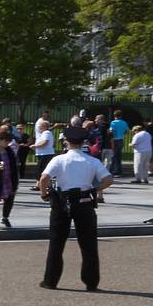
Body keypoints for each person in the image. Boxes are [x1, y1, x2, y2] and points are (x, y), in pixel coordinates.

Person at [37, 125, 112, 291]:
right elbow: (108, 179)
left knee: (56, 244)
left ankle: (51, 280)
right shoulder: (92, 161)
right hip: (85, 201)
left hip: (62, 202)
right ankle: (91, 282)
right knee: (89, 245)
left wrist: (44, 195)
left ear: (66, 141)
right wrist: (95, 189)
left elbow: (44, 179)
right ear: (83, 142)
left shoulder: (59, 159)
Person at [31, 115, 56, 182]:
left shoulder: (46, 133)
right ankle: (39, 185)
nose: (39, 128)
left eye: (41, 126)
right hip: (43, 154)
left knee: (40, 170)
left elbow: (44, 143)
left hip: (45, 154)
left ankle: (44, 185)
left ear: (45, 127)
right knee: (40, 170)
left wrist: (35, 146)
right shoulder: (44, 133)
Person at [108, 110, 130, 177]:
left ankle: (112, 171)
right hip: (121, 139)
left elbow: (111, 131)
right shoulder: (124, 123)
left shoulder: (113, 123)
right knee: (119, 156)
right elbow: (127, 131)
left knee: (113, 156)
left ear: (114, 116)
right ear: (121, 116)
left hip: (114, 140)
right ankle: (118, 172)